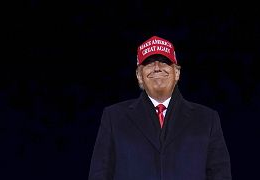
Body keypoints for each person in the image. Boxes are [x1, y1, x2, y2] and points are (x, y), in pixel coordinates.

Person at [88, 35, 232, 180]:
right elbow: (99, 175)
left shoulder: (206, 120)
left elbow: (220, 175)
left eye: (164, 62)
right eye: (149, 63)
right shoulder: (114, 118)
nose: (157, 67)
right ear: (139, 75)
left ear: (177, 73)